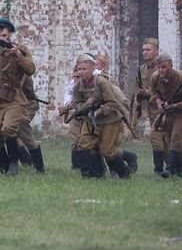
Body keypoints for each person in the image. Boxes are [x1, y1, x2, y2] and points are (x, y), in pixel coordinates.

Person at [0, 17, 36, 175]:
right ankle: (2, 164)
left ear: (10, 33)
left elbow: (31, 69)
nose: (1, 38)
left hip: (15, 96)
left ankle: (13, 163)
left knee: (9, 128)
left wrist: (18, 54)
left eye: (4, 35)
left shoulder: (20, 48)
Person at [71, 53, 133, 178]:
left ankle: (123, 171)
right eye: (79, 69)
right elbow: (77, 106)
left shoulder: (101, 82)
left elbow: (112, 103)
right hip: (90, 119)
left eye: (84, 69)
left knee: (107, 151)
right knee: (85, 144)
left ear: (93, 69)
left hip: (110, 119)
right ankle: (95, 174)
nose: (81, 72)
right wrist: (86, 107)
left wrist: (97, 112)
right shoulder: (77, 86)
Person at [135, 38, 166, 174]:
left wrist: (146, 92)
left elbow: (164, 89)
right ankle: (171, 167)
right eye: (143, 50)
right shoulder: (141, 69)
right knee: (162, 140)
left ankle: (159, 169)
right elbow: (139, 88)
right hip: (151, 109)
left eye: (148, 49)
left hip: (163, 109)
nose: (145, 52)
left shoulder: (162, 68)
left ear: (156, 50)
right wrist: (138, 106)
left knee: (156, 137)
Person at [150, 53, 181, 177]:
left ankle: (171, 169)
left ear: (171, 66)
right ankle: (174, 167)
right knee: (164, 137)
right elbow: (153, 92)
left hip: (179, 111)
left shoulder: (179, 78)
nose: (160, 70)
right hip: (167, 112)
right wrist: (158, 102)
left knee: (176, 137)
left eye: (163, 67)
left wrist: (174, 106)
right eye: (159, 67)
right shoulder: (155, 77)